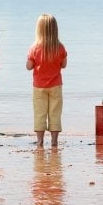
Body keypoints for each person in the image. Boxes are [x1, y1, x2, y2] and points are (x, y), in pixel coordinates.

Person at [26, 14, 68, 148]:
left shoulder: (35, 47)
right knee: (55, 113)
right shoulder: (60, 47)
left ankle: (40, 141)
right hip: (55, 85)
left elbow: (28, 66)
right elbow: (64, 64)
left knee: (40, 113)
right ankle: (54, 141)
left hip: (39, 87)